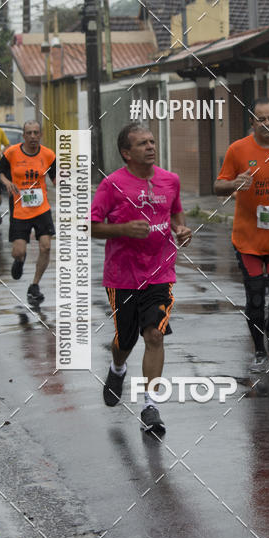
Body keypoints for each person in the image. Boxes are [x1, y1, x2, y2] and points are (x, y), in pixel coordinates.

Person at [90, 123, 192, 437]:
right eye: (142, 143)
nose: (150, 146)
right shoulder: (112, 185)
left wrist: (181, 229)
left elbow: (176, 213)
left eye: (151, 141)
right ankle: (117, 368)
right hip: (122, 276)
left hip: (160, 273)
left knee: (155, 336)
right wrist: (122, 229)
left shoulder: (170, 180)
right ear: (126, 153)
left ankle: (150, 404)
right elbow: (89, 226)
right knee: (126, 339)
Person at [214, 97, 269, 370]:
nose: (267, 124)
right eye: (261, 119)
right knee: (254, 297)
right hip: (248, 240)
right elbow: (218, 186)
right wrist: (234, 183)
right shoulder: (238, 150)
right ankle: (259, 351)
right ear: (252, 122)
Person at [0, 120, 56, 303]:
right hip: (20, 209)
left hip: (42, 207)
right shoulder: (12, 153)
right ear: (23, 136)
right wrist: (7, 183)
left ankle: (34, 285)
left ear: (41, 135)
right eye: (29, 133)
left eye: (36, 133)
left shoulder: (48, 155)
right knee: (18, 251)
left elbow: (55, 177)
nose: (33, 136)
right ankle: (20, 260)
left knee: (46, 246)